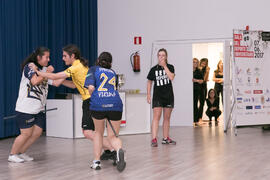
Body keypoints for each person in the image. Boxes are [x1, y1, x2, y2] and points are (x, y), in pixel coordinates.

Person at [34, 44, 115, 161]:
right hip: (94, 100)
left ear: (72, 56)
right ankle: (108, 151)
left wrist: (38, 72)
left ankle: (114, 150)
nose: (63, 58)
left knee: (87, 132)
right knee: (94, 131)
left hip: (90, 101)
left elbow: (56, 75)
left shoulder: (75, 67)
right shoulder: (80, 66)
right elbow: (73, 85)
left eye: (65, 56)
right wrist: (59, 82)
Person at [8, 47, 53, 163]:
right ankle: (12, 154)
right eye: (46, 57)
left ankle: (21, 152)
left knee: (37, 132)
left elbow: (55, 81)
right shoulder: (30, 66)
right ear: (39, 57)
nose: (49, 59)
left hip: (38, 109)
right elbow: (35, 81)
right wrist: (46, 72)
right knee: (26, 133)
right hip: (26, 108)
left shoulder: (41, 69)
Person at [84, 52, 126, 172]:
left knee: (98, 133)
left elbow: (91, 88)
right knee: (113, 136)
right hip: (115, 103)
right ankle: (118, 151)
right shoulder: (113, 73)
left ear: (98, 60)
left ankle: (96, 162)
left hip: (99, 104)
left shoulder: (93, 69)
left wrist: (95, 97)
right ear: (110, 63)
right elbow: (115, 88)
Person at [147, 48, 176, 147]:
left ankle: (165, 138)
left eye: (163, 55)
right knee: (156, 117)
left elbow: (171, 77)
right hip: (157, 96)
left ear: (166, 57)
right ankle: (154, 139)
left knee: (167, 118)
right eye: (159, 55)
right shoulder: (153, 69)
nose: (161, 57)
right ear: (157, 57)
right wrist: (148, 94)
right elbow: (149, 81)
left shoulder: (170, 67)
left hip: (168, 96)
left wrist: (164, 67)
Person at [198, 58, 210, 123]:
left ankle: (200, 118)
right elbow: (201, 80)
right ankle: (196, 118)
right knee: (195, 103)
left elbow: (205, 79)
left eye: (205, 64)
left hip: (204, 87)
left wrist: (207, 72)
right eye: (202, 63)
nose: (203, 64)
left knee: (202, 103)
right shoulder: (198, 69)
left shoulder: (206, 70)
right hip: (197, 87)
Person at [193, 58, 204, 126]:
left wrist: (196, 80)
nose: (195, 63)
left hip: (196, 89)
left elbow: (202, 81)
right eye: (194, 62)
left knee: (195, 104)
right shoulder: (188, 70)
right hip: (189, 90)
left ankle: (196, 120)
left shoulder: (199, 71)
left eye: (196, 62)